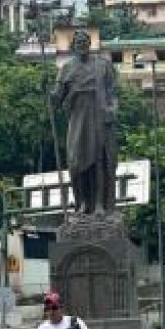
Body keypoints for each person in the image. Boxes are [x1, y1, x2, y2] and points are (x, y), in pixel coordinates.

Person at [51, 29, 119, 215]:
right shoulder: (66, 68)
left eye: (84, 42)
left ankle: (98, 204)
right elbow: (57, 98)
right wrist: (48, 92)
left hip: (98, 116)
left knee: (99, 161)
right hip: (78, 119)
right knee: (76, 162)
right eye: (78, 43)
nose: (81, 45)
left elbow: (113, 93)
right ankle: (81, 202)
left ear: (89, 45)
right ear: (73, 46)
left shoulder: (103, 65)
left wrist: (112, 110)